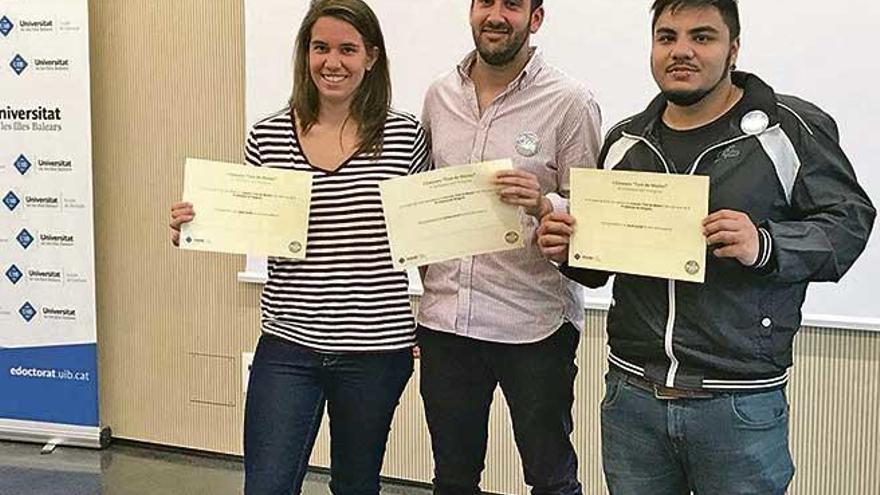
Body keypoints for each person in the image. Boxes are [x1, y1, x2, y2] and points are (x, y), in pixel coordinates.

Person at [536, 1, 876, 493]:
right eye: (667, 37)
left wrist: (765, 243)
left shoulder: (789, 129)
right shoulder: (626, 140)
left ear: (733, 49)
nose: (682, 51)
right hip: (633, 398)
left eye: (702, 37)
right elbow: (601, 266)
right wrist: (569, 251)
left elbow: (849, 223)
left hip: (738, 403)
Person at [169, 1, 430, 493]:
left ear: (371, 57)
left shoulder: (405, 134)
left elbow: (427, 233)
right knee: (266, 485)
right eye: (321, 48)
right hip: (289, 344)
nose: (333, 62)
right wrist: (197, 223)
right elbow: (248, 220)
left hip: (376, 349)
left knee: (356, 485)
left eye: (348, 49)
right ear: (305, 54)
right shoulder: (267, 135)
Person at [416, 1, 602, 494]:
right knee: (452, 478)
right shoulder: (439, 95)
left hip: (534, 326)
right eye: (486, 2)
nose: (496, 15)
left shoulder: (570, 101)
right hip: (446, 321)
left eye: (513, 4)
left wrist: (544, 203)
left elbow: (593, 219)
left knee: (550, 478)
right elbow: (423, 198)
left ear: (535, 18)